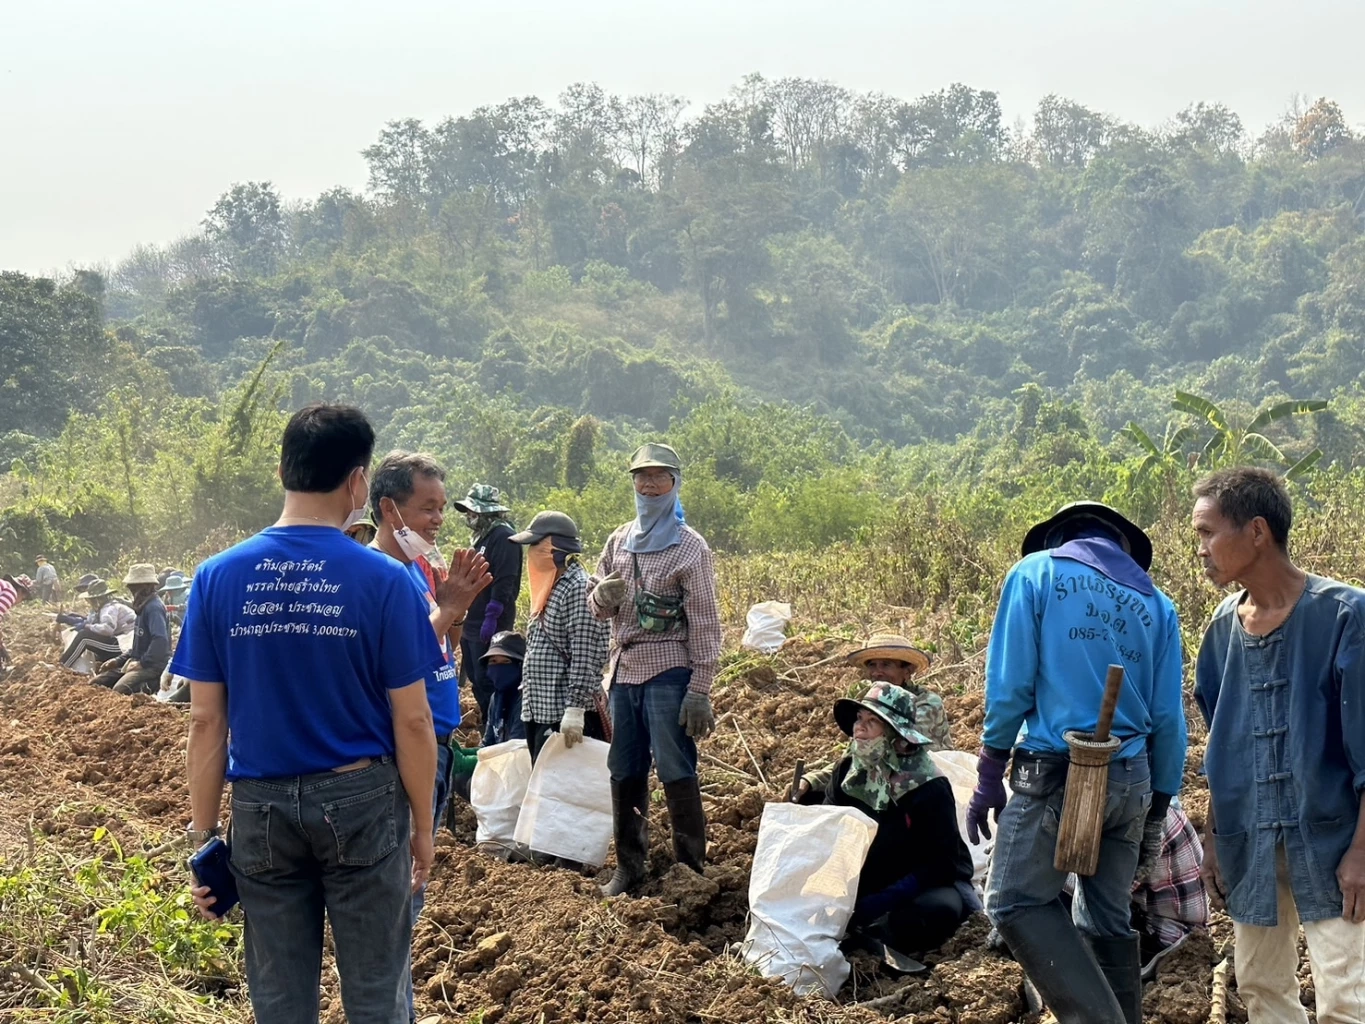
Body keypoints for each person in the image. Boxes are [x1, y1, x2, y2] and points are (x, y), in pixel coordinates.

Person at [174, 402, 447, 1024]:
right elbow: (412, 721)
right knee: (377, 992)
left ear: (282, 470)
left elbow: (206, 723)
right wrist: (424, 830)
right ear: (358, 481)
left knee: (277, 997)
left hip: (260, 808)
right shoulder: (383, 580)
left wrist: (203, 837)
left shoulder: (215, 577)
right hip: (362, 802)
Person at [967, 501, 1186, 1024]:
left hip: (1054, 771)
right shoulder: (1157, 605)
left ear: (1061, 538)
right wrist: (1158, 806)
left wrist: (989, 771)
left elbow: (1010, 687)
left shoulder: (1035, 574)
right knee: (1105, 916)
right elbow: (1167, 717)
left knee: (1015, 902)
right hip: (1131, 778)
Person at [1191, 468, 1365, 1024]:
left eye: (1208, 533)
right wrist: (1215, 839)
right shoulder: (1221, 629)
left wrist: (1362, 853)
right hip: (1251, 841)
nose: (1202, 551)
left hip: (1335, 840)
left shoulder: (1344, 615)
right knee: (1261, 985)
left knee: (1345, 993)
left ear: (1257, 532)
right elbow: (1221, 744)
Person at [368, 450, 491, 1024]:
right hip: (408, 749)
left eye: (443, 508)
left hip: (438, 740)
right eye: (427, 508)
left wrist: (456, 610)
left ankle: (397, 1007)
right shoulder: (377, 575)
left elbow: (443, 649)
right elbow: (398, 660)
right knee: (400, 892)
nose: (438, 520)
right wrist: (445, 612)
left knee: (408, 894)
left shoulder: (420, 570)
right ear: (389, 508)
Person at [587, 443, 722, 897]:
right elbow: (598, 606)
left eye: (658, 477)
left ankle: (690, 868)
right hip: (624, 672)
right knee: (624, 768)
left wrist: (700, 687)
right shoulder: (619, 539)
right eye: (641, 477)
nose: (648, 485)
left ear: (673, 484)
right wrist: (601, 598)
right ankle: (629, 867)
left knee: (674, 767)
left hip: (669, 670)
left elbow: (704, 620)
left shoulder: (690, 547)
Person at [795, 681, 977, 963]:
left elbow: (941, 864)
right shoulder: (848, 772)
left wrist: (881, 901)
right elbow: (832, 830)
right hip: (866, 873)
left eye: (872, 722)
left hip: (919, 880)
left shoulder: (928, 786)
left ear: (897, 735)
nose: (859, 728)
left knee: (940, 909)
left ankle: (877, 938)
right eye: (859, 719)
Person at [509, 511, 610, 760]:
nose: (530, 553)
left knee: (570, 791)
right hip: (541, 710)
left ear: (554, 549)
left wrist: (575, 708)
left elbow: (586, 652)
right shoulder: (550, 589)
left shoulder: (577, 588)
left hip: (564, 714)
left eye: (536, 545)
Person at [453, 484, 521, 723]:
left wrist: (493, 616)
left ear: (486, 513)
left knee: (490, 677)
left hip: (491, 620)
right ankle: (489, 723)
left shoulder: (503, 537)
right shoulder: (483, 537)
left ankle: (501, 724)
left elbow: (505, 580)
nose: (469, 517)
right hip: (473, 618)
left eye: (473, 513)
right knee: (475, 676)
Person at [1130, 799, 1208, 979]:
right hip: (1159, 921)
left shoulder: (1145, 821)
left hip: (1168, 939)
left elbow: (1107, 893)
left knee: (1061, 905)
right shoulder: (1151, 800)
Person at [846, 633, 951, 751]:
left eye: (886, 665)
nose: (876, 672)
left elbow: (901, 742)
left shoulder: (927, 702)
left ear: (907, 671)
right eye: (872, 665)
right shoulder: (872, 701)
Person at [91, 564, 171, 695]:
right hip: (137, 661)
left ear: (146, 586)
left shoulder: (153, 608)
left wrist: (142, 663)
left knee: (120, 690)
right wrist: (118, 660)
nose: (132, 591)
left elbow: (160, 640)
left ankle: (154, 686)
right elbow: (137, 647)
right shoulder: (142, 606)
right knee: (97, 683)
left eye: (135, 588)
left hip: (154, 665)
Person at [59, 579, 136, 671]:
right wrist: (71, 620)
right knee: (85, 634)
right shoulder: (103, 608)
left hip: (125, 647)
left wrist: (89, 627)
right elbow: (89, 621)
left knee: (84, 638)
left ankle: (63, 666)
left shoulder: (109, 609)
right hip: (122, 642)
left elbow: (107, 629)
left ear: (97, 599)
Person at [481, 631, 527, 745]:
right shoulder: (496, 698)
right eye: (493, 661)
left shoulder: (526, 700)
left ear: (520, 665)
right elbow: (488, 743)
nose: (498, 668)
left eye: (506, 662)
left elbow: (514, 749)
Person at [0, 574, 33, 670]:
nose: (19, 602)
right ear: (21, 591)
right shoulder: (11, 592)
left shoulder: (4, 586)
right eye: (23, 599)